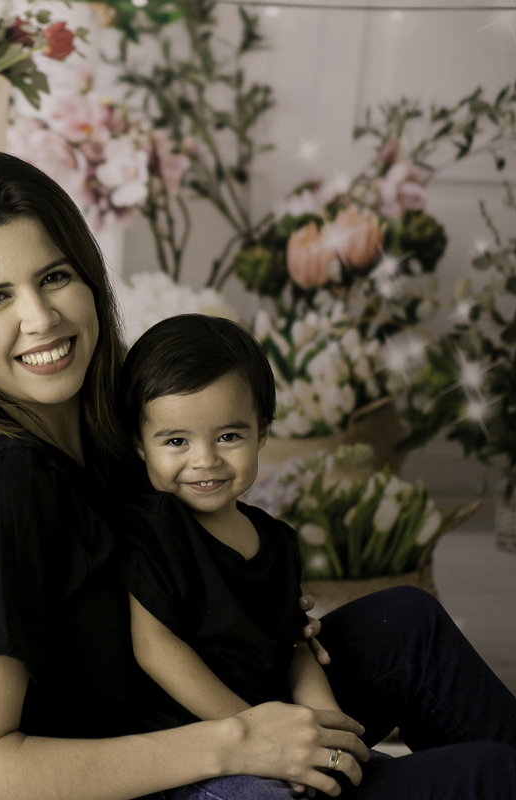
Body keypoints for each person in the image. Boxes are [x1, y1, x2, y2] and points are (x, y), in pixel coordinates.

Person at [0, 150, 516, 800]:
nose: (40, 317)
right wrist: (245, 740)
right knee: (494, 777)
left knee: (407, 627)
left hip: (177, 714)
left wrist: (263, 613)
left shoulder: (105, 420)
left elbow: (176, 566)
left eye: (54, 276)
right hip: (129, 779)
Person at [116, 314, 354, 797]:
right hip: (194, 758)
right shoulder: (155, 528)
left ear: (262, 432)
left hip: (271, 734)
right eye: (176, 441)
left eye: (228, 436)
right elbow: (155, 648)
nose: (205, 460)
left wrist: (323, 723)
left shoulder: (277, 539)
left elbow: (294, 647)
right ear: (140, 444)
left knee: (351, 768)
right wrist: (251, 732)